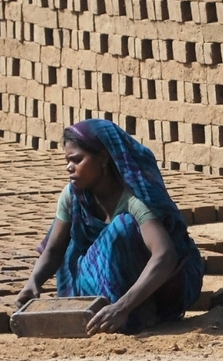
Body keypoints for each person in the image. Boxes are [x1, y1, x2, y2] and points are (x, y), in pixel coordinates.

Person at [16, 119, 204, 334]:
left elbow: (165, 255)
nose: (69, 167)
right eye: (67, 160)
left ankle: (139, 310)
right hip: (102, 282)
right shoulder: (73, 196)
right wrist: (33, 282)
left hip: (164, 286)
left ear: (103, 158)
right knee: (70, 248)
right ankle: (95, 311)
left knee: (122, 229)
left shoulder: (134, 198)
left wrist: (122, 307)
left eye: (77, 160)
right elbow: (53, 250)